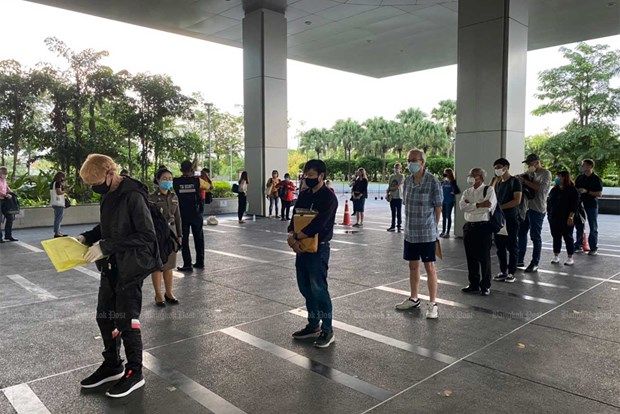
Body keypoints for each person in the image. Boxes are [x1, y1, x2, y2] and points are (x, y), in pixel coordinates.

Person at [77, 153, 160, 398]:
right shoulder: (109, 195)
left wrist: (106, 246)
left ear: (110, 173)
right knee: (104, 316)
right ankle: (112, 364)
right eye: (91, 185)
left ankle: (135, 372)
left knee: (126, 319)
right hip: (111, 266)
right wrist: (87, 237)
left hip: (132, 266)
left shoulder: (133, 195)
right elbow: (108, 227)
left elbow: (147, 235)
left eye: (97, 183)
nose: (95, 188)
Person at [287, 159, 338, 348]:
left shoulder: (329, 198)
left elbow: (320, 223)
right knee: (305, 287)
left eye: (310, 175)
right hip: (301, 247)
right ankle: (313, 325)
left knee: (319, 289)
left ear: (321, 176)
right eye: (305, 175)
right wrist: (292, 237)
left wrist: (297, 236)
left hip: (319, 248)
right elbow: (294, 216)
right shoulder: (304, 194)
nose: (306, 178)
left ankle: (328, 329)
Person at [394, 149, 442, 319]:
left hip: (427, 233)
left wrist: (434, 227)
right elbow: (406, 203)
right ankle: (414, 298)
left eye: (415, 160)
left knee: (429, 267)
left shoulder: (433, 181)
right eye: (409, 160)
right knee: (413, 266)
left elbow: (438, 207)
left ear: (423, 162)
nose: (411, 163)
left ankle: (433, 303)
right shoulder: (407, 181)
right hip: (410, 232)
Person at [459, 168, 497, 296]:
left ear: (480, 177)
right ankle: (473, 284)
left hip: (483, 227)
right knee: (471, 257)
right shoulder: (467, 191)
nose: (470, 177)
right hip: (469, 227)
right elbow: (462, 207)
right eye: (469, 174)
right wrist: (478, 205)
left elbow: (488, 207)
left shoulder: (489, 190)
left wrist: (472, 205)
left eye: (473, 175)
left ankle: (485, 285)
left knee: (484, 257)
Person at [150, 168, 183, 306]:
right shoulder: (151, 198)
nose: (168, 181)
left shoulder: (174, 197)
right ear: (158, 180)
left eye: (170, 179)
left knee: (169, 265)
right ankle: (158, 294)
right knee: (158, 266)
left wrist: (179, 235)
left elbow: (178, 217)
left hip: (171, 232)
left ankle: (169, 292)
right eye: (165, 179)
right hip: (157, 234)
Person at [517, 154, 552, 272]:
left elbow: (540, 189)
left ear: (537, 162)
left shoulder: (545, 173)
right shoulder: (530, 173)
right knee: (521, 233)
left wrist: (524, 181)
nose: (528, 166)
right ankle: (519, 258)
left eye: (530, 163)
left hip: (538, 209)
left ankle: (535, 262)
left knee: (535, 236)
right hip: (526, 208)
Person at [173, 160, 207, 271]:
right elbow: (210, 187)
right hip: (196, 214)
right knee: (199, 238)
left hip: (183, 214)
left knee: (184, 239)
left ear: (181, 169)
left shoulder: (176, 182)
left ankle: (187, 264)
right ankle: (200, 262)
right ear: (191, 169)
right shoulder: (198, 181)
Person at [492, 159, 522, 283]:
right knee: (500, 247)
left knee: (512, 246)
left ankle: (511, 272)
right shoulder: (498, 183)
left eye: (499, 166)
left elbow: (517, 201)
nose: (497, 169)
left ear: (506, 167)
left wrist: (500, 207)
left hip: (510, 219)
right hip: (499, 220)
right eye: (495, 167)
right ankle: (503, 271)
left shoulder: (515, 182)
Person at [547, 171, 580, 266]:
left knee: (567, 236)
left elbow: (574, 205)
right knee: (556, 236)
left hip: (566, 217)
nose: (557, 179)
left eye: (559, 177)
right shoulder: (554, 190)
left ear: (565, 178)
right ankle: (556, 255)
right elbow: (549, 202)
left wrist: (571, 217)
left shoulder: (572, 190)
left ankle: (570, 257)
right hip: (554, 217)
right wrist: (549, 214)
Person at [574, 159, 603, 255]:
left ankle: (593, 247)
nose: (582, 167)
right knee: (579, 224)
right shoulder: (579, 178)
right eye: (582, 165)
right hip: (580, 204)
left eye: (584, 165)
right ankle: (578, 245)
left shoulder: (596, 179)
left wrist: (587, 191)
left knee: (593, 226)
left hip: (591, 205)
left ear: (590, 166)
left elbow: (599, 193)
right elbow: (575, 189)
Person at [440, 168, 459, 238]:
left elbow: (457, 191)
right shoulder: (444, 182)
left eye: (446, 173)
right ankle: (443, 231)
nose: (444, 174)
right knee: (443, 217)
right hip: (443, 201)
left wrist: (452, 193)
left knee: (448, 216)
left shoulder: (452, 182)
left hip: (449, 201)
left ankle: (447, 232)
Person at [0, 166, 17, 243]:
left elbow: (6, 187)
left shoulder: (4, 180)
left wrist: (11, 192)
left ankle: (8, 235)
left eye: (6, 173)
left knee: (10, 217)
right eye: (4, 173)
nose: (5, 175)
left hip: (5, 201)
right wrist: (5, 195)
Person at [386, 162, 404, 232]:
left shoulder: (401, 176)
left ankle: (399, 226)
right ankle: (392, 226)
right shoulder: (391, 177)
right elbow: (389, 185)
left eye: (397, 168)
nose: (396, 169)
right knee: (393, 212)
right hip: (392, 197)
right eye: (395, 167)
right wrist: (387, 192)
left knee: (399, 212)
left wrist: (390, 189)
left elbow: (398, 186)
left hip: (399, 197)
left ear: (400, 169)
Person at [50, 171, 68, 238]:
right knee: (58, 218)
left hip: (54, 202)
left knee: (58, 218)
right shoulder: (57, 183)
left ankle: (57, 231)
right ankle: (57, 232)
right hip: (58, 203)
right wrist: (65, 191)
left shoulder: (53, 183)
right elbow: (58, 192)